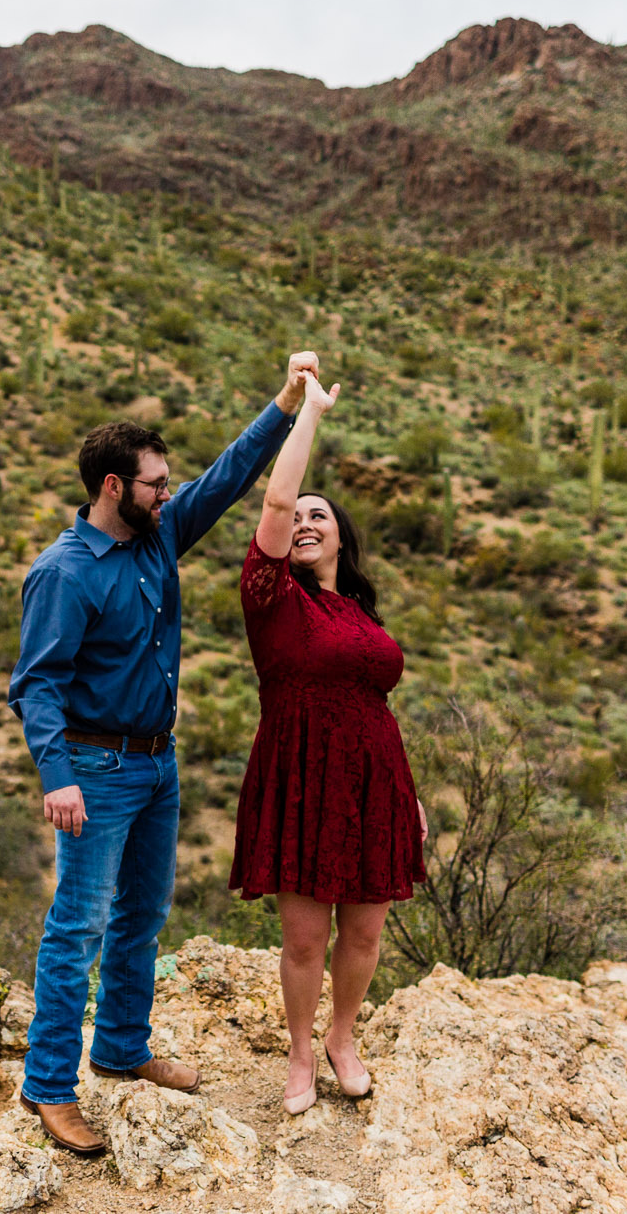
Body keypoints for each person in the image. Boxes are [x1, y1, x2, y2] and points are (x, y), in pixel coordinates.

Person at [8, 351, 323, 1155]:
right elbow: (36, 684)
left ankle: (120, 1046)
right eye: (155, 483)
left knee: (143, 914)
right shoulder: (64, 573)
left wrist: (285, 402)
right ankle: (48, 1085)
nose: (169, 492)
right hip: (97, 771)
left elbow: (227, 476)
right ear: (114, 487)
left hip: (158, 762)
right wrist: (59, 777)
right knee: (77, 925)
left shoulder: (159, 536)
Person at [229, 370, 428, 1115]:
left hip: (374, 779)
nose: (306, 520)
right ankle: (302, 1053)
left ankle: (345, 1037)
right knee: (306, 938)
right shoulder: (271, 597)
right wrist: (307, 411)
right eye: (299, 516)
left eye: (322, 514)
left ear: (344, 533)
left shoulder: (361, 613)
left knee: (367, 930)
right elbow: (278, 499)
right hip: (303, 776)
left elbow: (377, 707)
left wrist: (408, 798)